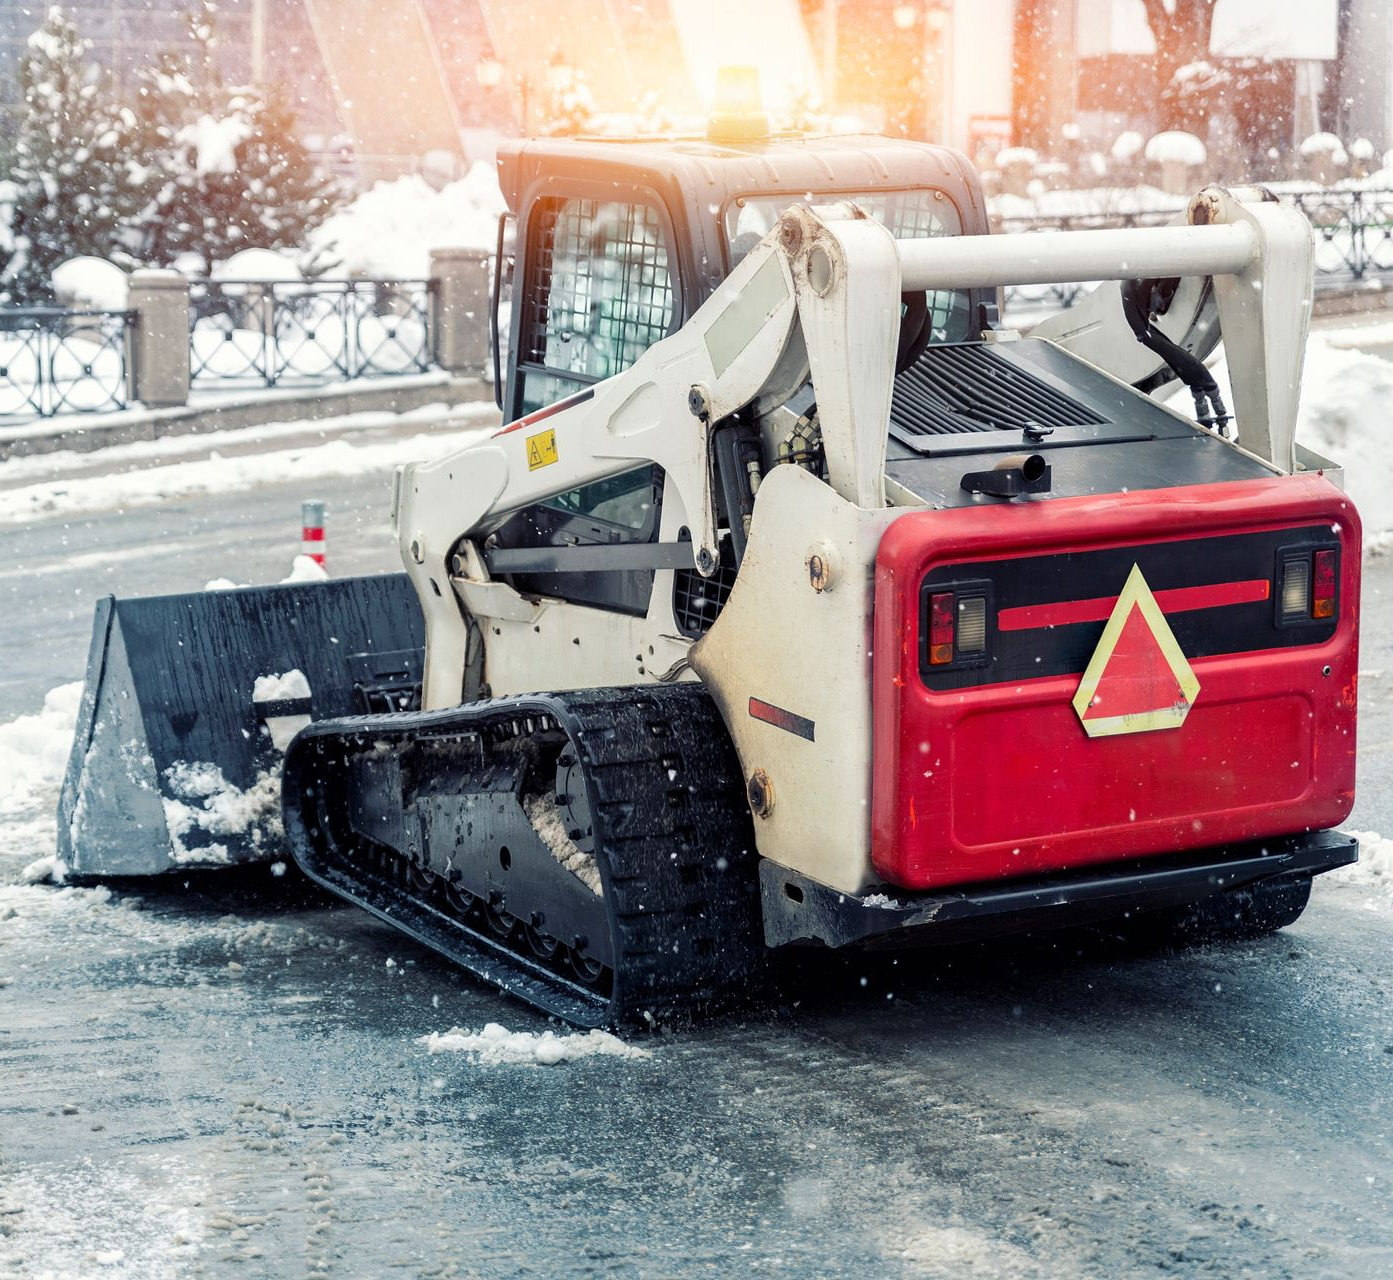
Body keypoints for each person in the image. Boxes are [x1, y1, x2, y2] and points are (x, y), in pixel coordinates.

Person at [1121, 276, 1230, 433]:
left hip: (1149, 301)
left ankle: (1208, 400)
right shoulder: (1133, 288)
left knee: (1150, 337)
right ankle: (1209, 400)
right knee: (1149, 337)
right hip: (1144, 306)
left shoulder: (1136, 288)